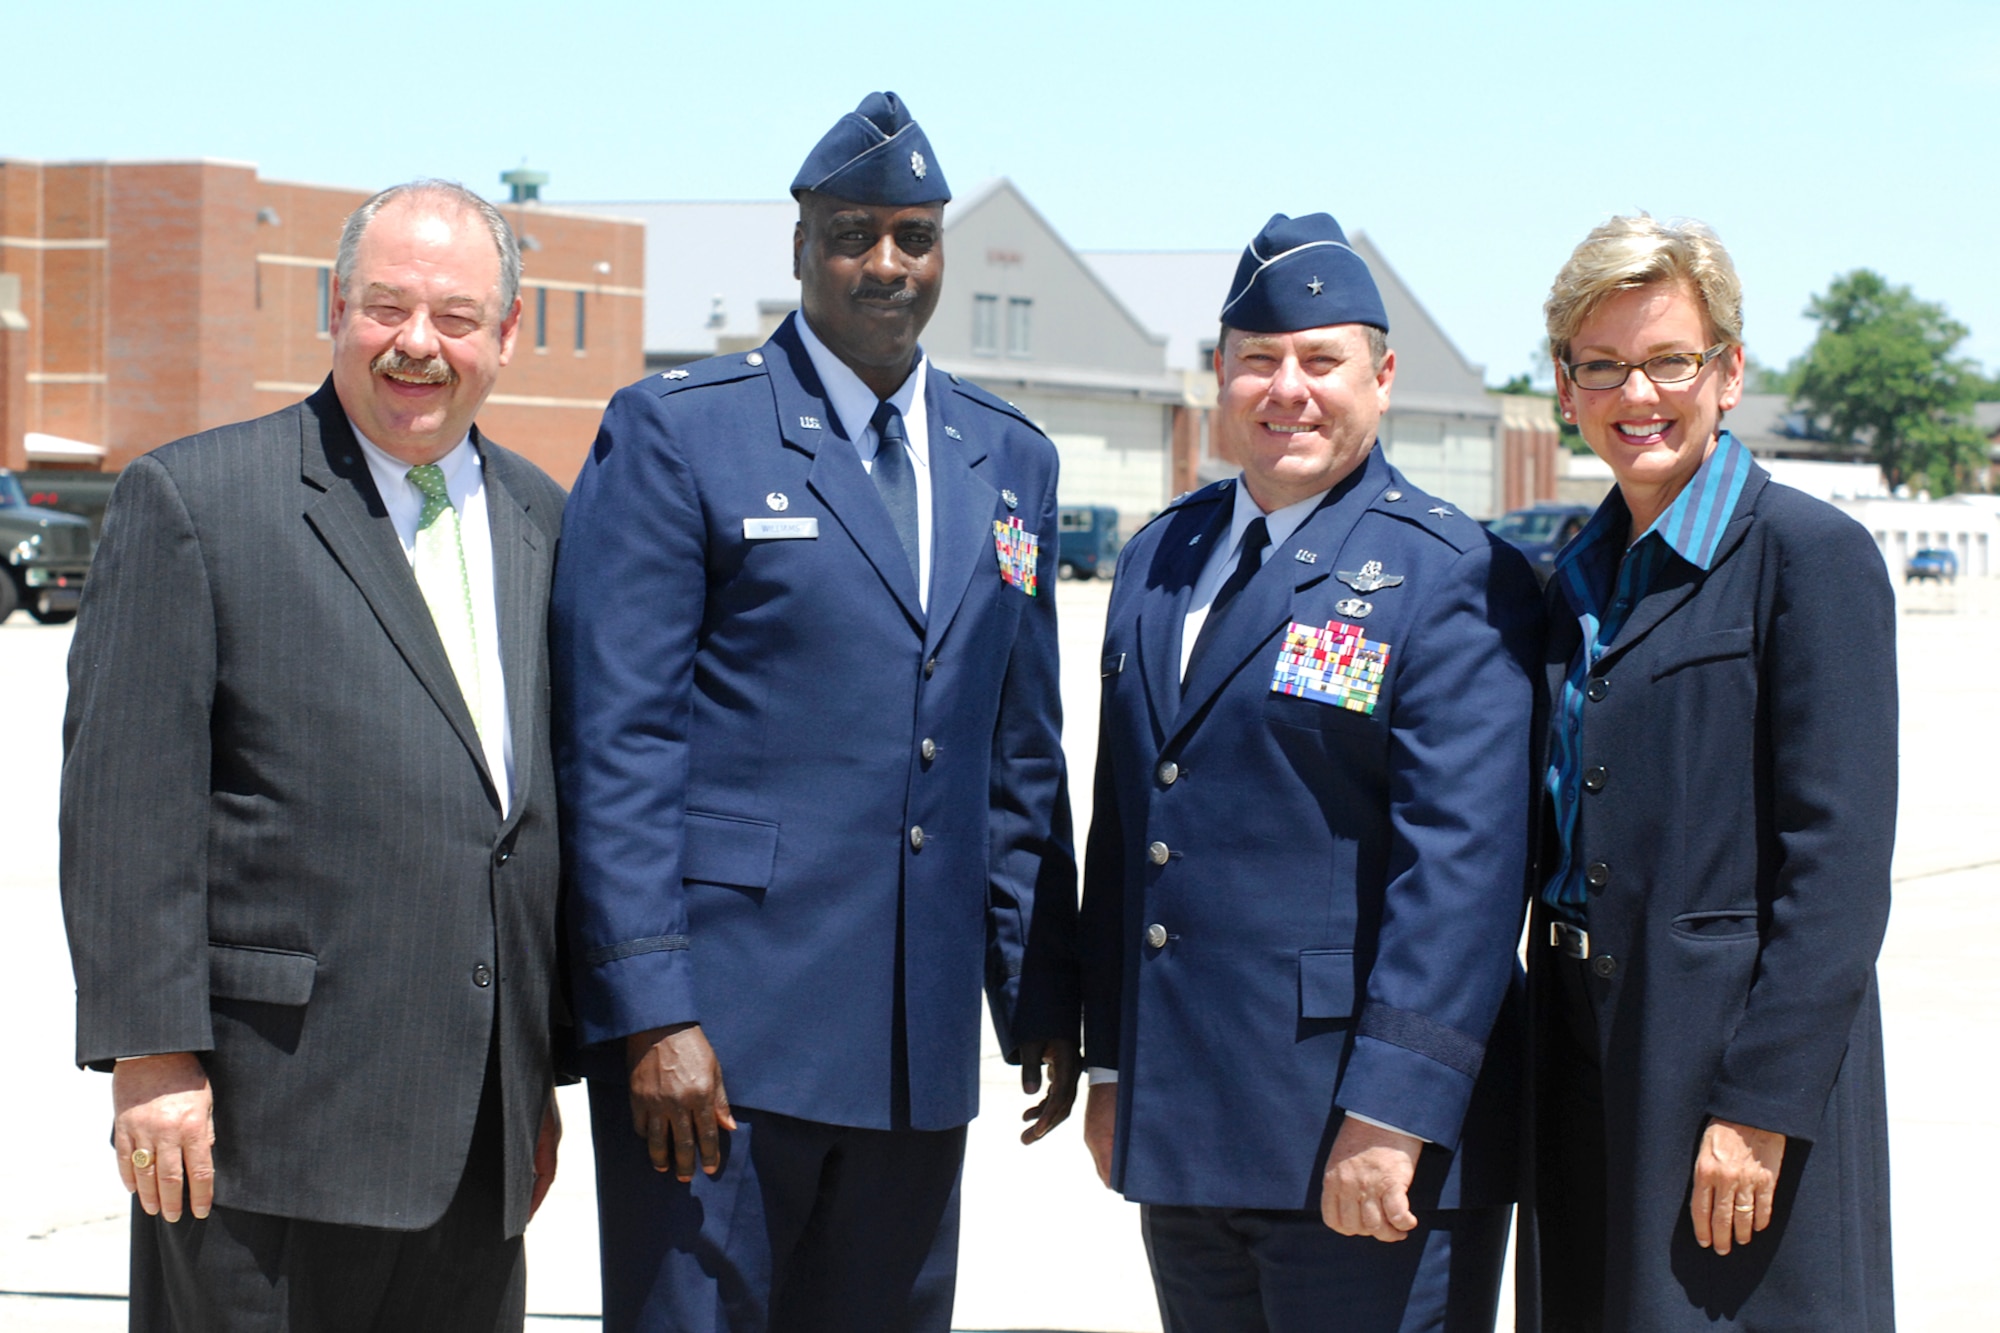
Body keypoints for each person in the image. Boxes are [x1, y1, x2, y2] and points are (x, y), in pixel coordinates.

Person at [552, 91, 1079, 1333]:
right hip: (722, 1044)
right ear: (799, 248)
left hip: (914, 1047)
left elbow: (1018, 751)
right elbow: (615, 743)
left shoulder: (1009, 459)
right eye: (851, 234)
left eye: (911, 235)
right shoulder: (684, 432)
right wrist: (651, 1012)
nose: (883, 264)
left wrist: (1039, 987)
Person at [59, 180, 567, 1333]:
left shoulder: (544, 519)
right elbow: (124, 806)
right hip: (264, 1132)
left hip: (476, 1141)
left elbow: (520, 816)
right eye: (385, 308)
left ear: (507, 333)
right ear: (333, 307)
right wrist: (151, 1056)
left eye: (453, 315)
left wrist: (535, 1077)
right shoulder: (196, 502)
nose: (417, 345)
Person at [1078, 212, 1543, 1332]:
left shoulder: (1449, 576)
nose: (1286, 389)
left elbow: (1462, 871)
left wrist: (1393, 1109)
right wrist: (1108, 1065)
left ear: (1380, 380)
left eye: (1320, 361)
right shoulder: (1162, 554)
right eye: (1257, 361)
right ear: (1219, 377)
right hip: (1187, 1117)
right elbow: (1129, 814)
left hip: (1358, 1132)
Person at [1520, 214, 1896, 1330]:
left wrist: (1757, 1106)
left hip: (1722, 1072)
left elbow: (1833, 870)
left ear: (1726, 373)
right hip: (1578, 1053)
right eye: (1602, 366)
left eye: (1668, 360)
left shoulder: (1806, 558)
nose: (1636, 393)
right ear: (1565, 387)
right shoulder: (1568, 582)